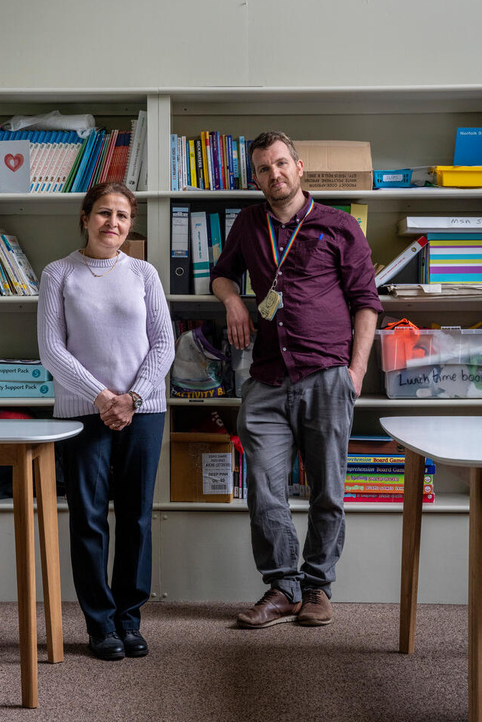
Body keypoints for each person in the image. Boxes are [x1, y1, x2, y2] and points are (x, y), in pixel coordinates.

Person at [211, 131, 382, 628]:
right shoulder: (248, 223)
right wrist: (232, 299)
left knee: (327, 489)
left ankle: (318, 587)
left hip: (328, 377)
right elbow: (221, 274)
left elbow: (367, 304)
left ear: (300, 167)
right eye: (264, 169)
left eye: (281, 164)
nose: (274, 175)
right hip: (265, 381)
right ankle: (283, 587)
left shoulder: (340, 225)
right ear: (256, 177)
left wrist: (356, 371)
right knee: (264, 490)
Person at [37, 182, 175, 660]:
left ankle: (129, 620)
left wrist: (131, 398)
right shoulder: (59, 274)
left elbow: (164, 344)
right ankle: (100, 625)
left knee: (136, 518)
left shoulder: (144, 273)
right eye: (102, 213)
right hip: (83, 414)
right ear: (85, 217)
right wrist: (102, 398)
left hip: (144, 411)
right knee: (90, 519)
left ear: (129, 223)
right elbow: (52, 351)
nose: (111, 223)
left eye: (120, 215)